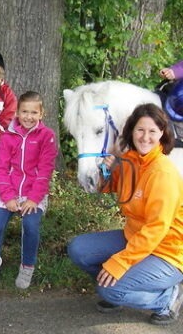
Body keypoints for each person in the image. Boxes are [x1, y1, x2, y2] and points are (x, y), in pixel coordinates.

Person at [68, 103, 183, 326]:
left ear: (162, 133)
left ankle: (167, 298)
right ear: (131, 131)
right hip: (135, 238)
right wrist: (107, 171)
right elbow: (111, 187)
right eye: (140, 130)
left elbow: (155, 230)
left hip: (168, 253)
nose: (145, 137)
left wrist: (120, 262)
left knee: (109, 290)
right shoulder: (130, 159)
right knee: (78, 249)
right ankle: (121, 285)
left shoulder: (163, 174)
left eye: (152, 131)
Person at [0, 91, 57, 289]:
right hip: (8, 191)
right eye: (24, 111)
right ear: (17, 113)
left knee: (31, 226)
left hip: (34, 193)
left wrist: (33, 199)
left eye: (34, 112)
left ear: (42, 113)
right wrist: (7, 197)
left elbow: (45, 171)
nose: (29, 116)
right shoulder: (8, 137)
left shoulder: (47, 136)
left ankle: (27, 266)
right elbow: (0, 169)